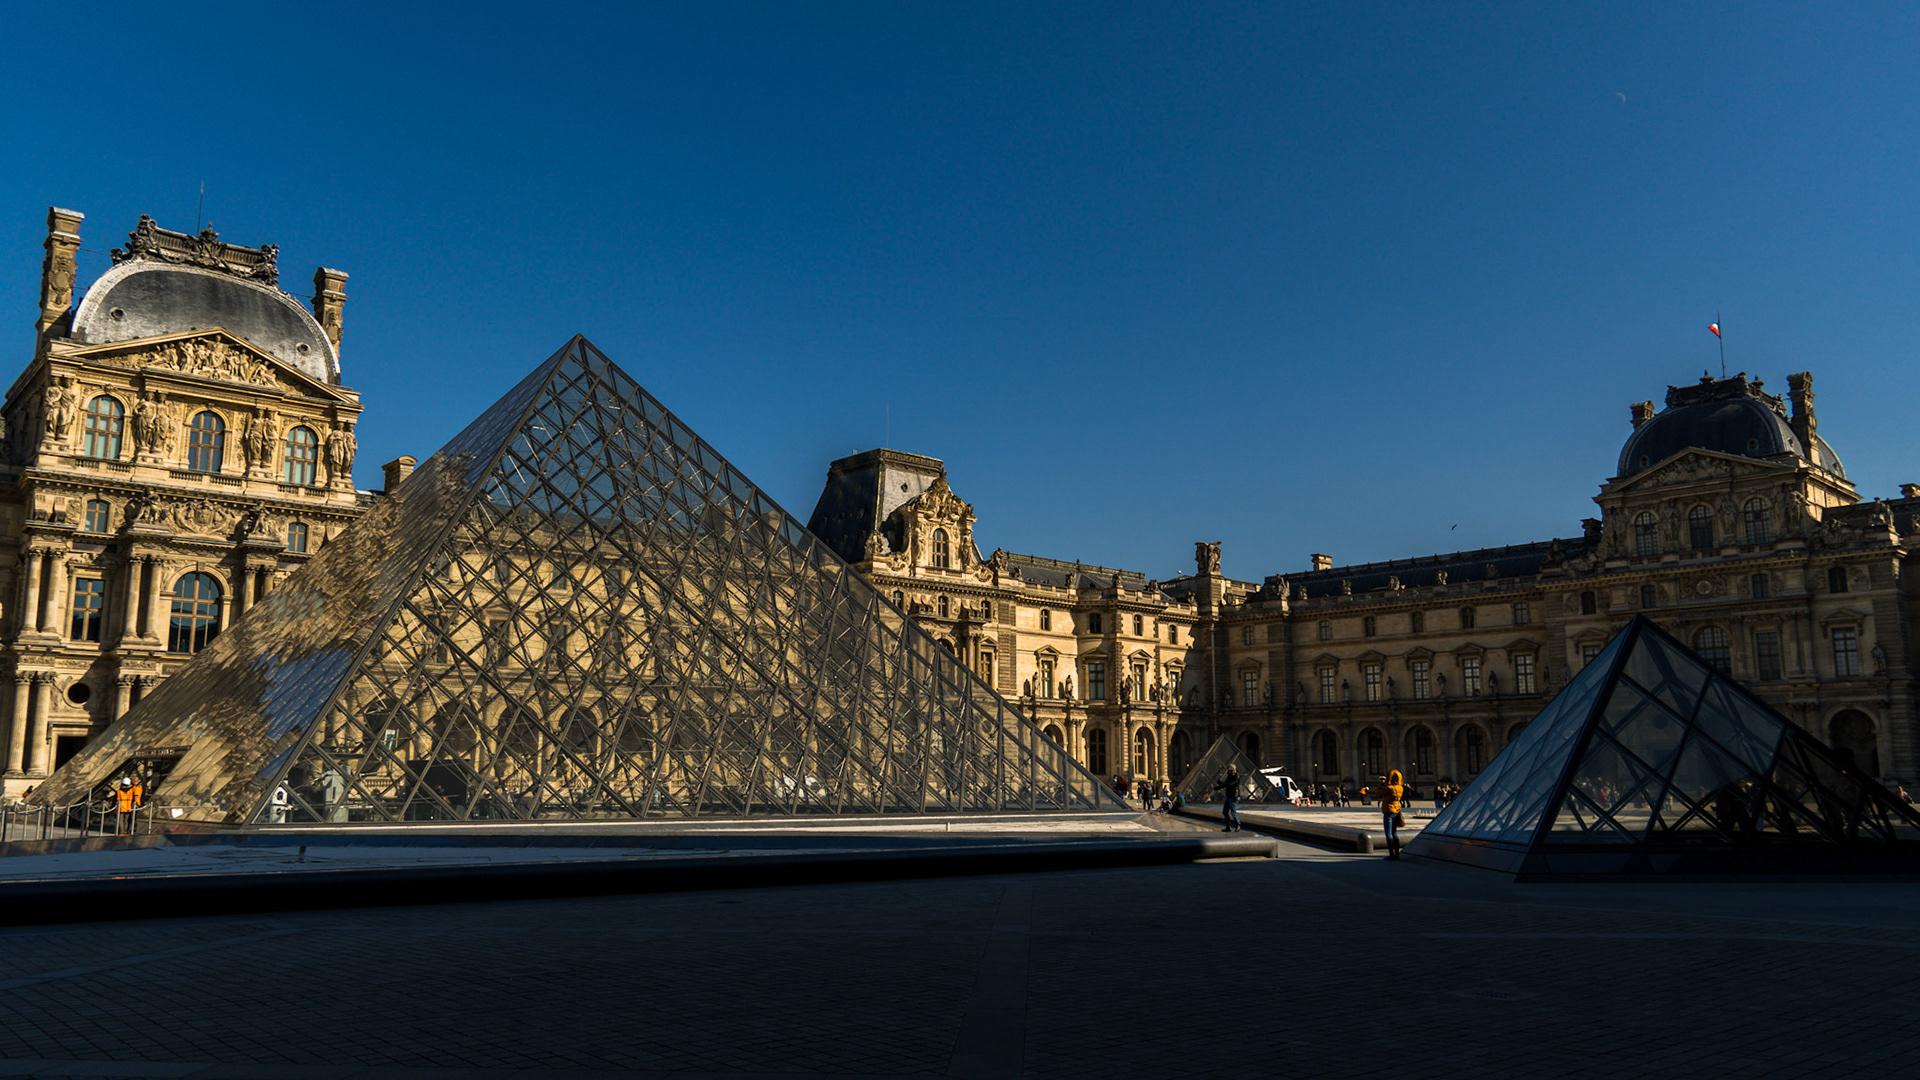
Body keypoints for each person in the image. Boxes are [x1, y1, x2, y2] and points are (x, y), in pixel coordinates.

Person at [1380, 770, 1405, 859]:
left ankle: (1391, 854)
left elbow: (1378, 792)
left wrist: (1382, 783)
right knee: (1394, 833)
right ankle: (1397, 853)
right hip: (1396, 811)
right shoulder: (1400, 788)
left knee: (1388, 834)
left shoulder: (1389, 788)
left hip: (1388, 811)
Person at [1210, 766, 1241, 832]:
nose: (1229, 771)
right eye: (1229, 770)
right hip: (1229, 796)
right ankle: (1228, 826)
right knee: (1225, 811)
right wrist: (1216, 788)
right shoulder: (1229, 776)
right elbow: (1225, 785)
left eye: (1231, 770)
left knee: (1233, 812)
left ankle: (1238, 825)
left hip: (1234, 796)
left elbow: (1229, 785)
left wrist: (1219, 783)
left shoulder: (1236, 777)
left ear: (1234, 770)